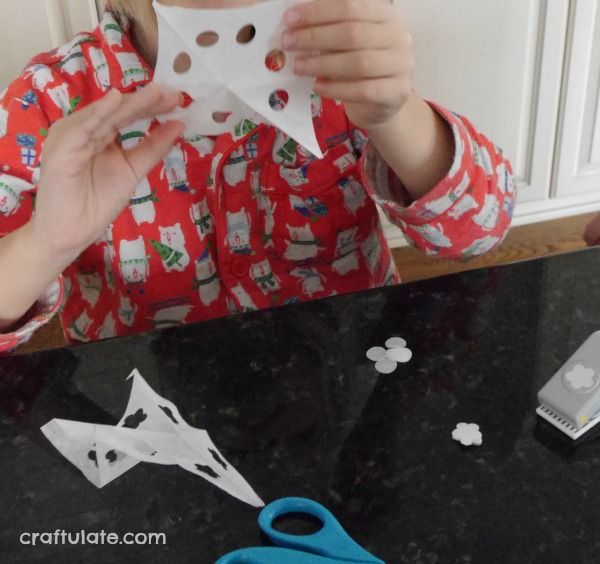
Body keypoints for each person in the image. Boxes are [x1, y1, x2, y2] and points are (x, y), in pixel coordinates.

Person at [0, 0, 515, 353]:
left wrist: (393, 115)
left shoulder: (342, 72)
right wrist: (45, 243)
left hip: (339, 370)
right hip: (145, 411)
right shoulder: (48, 100)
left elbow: (479, 229)